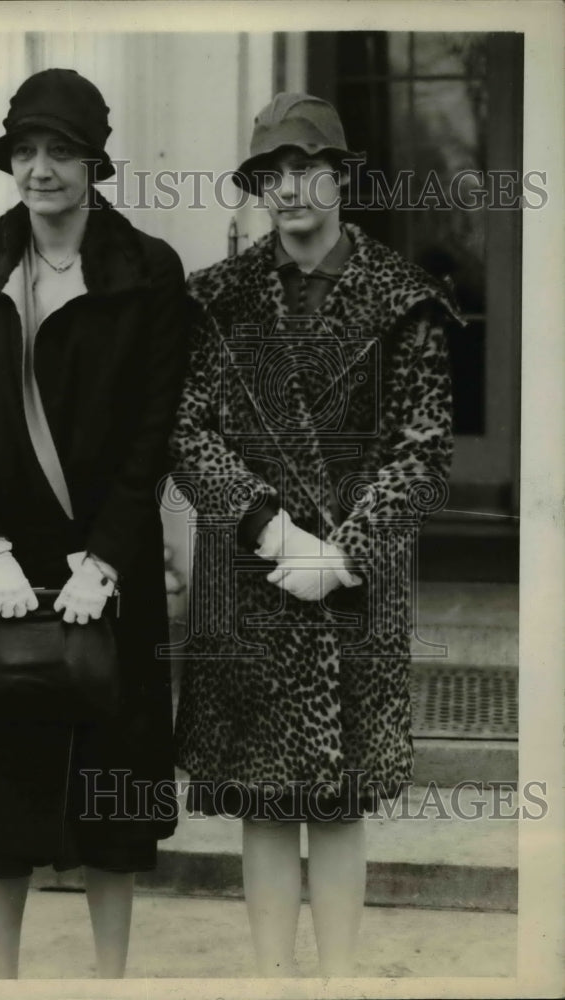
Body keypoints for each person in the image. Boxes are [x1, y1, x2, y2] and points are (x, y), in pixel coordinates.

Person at [170, 93, 461, 977]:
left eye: (304, 170)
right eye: (269, 176)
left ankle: (336, 984)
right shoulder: (218, 300)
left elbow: (423, 450)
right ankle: (269, 983)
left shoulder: (402, 303)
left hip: (352, 587)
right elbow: (187, 430)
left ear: (341, 177)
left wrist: (337, 554)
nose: (287, 190)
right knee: (261, 797)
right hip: (251, 578)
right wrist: (270, 531)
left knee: (338, 800)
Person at [0, 68, 189, 980]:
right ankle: (3, 983)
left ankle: (110, 982)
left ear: (95, 163)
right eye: (25, 152)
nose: (40, 171)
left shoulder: (146, 271)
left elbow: (155, 428)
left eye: (60, 151)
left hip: (103, 567)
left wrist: (105, 560)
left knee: (111, 799)